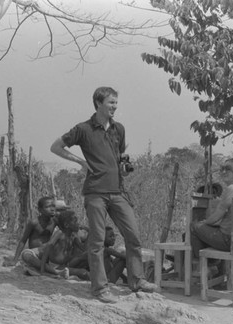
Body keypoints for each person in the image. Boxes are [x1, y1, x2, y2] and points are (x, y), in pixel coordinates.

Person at [50, 86, 158, 304]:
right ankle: (100, 289)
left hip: (118, 191)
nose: (114, 107)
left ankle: (137, 280)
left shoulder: (119, 129)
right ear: (98, 103)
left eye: (116, 103)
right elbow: (56, 147)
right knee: (97, 241)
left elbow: (119, 157)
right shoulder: (83, 129)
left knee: (133, 236)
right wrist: (80, 161)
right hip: (95, 193)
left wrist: (124, 167)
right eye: (111, 103)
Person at [190, 158, 233, 273]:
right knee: (206, 229)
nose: (223, 172)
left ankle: (208, 264)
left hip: (228, 241)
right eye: (222, 169)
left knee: (194, 227)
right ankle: (218, 268)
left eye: (228, 169)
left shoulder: (232, 189)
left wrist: (204, 223)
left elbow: (217, 216)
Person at [19, 209, 81, 279]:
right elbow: (48, 248)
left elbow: (83, 249)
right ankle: (56, 272)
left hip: (52, 263)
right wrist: (42, 269)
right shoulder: (59, 233)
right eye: (76, 221)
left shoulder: (74, 236)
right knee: (26, 255)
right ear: (66, 225)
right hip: (34, 253)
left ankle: (52, 270)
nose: (79, 223)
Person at [3, 196, 56, 267]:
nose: (52, 209)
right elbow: (23, 241)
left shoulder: (55, 221)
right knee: (27, 256)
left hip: (47, 254)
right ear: (40, 210)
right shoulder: (34, 223)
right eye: (48, 207)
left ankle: (47, 268)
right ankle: (50, 269)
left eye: (53, 206)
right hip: (34, 254)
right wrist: (15, 260)